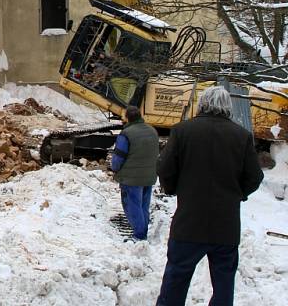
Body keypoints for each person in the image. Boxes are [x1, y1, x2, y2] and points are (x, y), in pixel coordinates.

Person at [156, 85, 264, 306]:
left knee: (175, 281)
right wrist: (236, 194)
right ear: (228, 107)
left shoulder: (182, 131)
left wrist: (174, 189)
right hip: (226, 227)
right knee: (224, 285)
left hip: (188, 223)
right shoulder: (242, 136)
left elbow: (165, 169)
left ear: (202, 103)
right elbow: (254, 177)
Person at [110, 105, 159, 240]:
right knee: (144, 205)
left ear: (127, 118)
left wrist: (114, 169)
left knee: (132, 206)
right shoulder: (152, 131)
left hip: (131, 179)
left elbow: (118, 157)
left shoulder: (126, 134)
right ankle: (142, 231)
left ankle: (139, 235)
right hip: (149, 176)